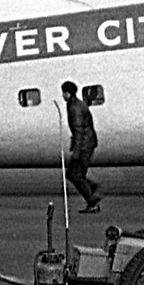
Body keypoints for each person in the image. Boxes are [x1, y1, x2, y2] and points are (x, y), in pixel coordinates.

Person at [61, 80, 101, 213]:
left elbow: (79, 130)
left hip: (84, 144)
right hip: (87, 142)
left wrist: (76, 151)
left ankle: (92, 202)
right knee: (73, 174)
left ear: (67, 93)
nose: (63, 95)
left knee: (75, 174)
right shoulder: (74, 103)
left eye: (63, 92)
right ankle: (91, 188)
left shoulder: (74, 107)